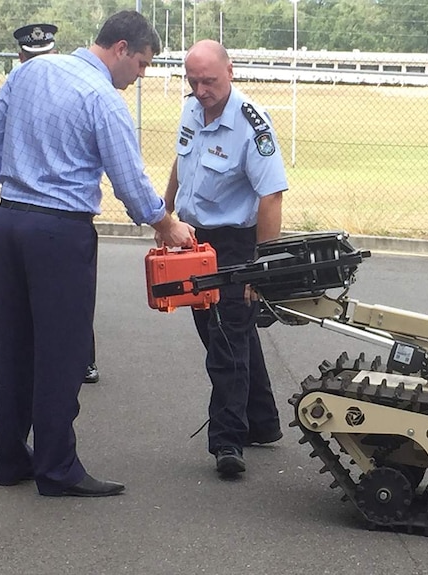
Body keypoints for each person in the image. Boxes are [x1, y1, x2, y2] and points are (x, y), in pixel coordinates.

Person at [0, 10, 196, 497]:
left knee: (12, 345)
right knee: (63, 351)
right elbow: (130, 182)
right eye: (141, 64)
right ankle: (57, 468)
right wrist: (166, 224)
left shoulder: (31, 70)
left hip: (10, 221)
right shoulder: (101, 97)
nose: (141, 75)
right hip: (59, 231)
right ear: (119, 48)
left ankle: (10, 458)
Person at [160, 39, 287, 476]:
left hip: (234, 243)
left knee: (227, 340)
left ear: (230, 72)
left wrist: (260, 266)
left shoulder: (252, 124)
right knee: (227, 333)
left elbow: (271, 196)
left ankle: (227, 442)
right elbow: (182, 161)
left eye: (209, 81)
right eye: (193, 81)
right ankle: (264, 422)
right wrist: (166, 212)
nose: (200, 90)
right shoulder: (192, 109)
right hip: (193, 239)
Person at [12, 22, 102, 385]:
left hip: (54, 209)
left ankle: (82, 358)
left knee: (69, 302)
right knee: (26, 297)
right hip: (35, 206)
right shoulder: (16, 85)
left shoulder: (71, 86)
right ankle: (22, 358)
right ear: (21, 56)